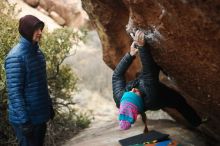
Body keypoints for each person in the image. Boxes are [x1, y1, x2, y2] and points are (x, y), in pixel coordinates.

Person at [112, 30, 202, 131]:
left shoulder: (119, 96)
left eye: (129, 92)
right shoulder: (151, 95)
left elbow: (117, 76)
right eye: (134, 93)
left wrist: (130, 55)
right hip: (158, 97)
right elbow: (149, 71)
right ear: (138, 102)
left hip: (143, 84)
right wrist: (142, 46)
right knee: (178, 101)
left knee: (143, 76)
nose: (132, 89)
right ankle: (197, 122)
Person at [4, 15, 55, 146]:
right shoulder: (15, 57)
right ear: (27, 31)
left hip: (39, 116)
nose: (40, 33)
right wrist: (24, 121)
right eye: (36, 29)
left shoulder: (38, 54)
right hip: (26, 120)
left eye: (40, 29)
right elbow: (15, 93)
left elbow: (41, 84)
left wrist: (48, 106)